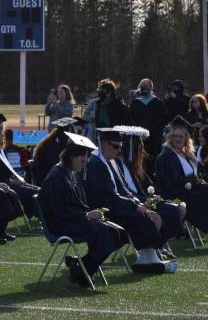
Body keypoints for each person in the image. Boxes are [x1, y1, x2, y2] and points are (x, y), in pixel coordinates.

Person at [39, 132, 127, 286]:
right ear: (71, 156)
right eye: (82, 158)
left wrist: (92, 213)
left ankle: (81, 267)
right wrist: (86, 215)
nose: (85, 162)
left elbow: (78, 204)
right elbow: (61, 212)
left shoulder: (70, 173)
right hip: (61, 224)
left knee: (119, 232)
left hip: (74, 219)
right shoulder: (56, 177)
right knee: (106, 232)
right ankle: (82, 272)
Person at [84, 128, 176, 273]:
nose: (119, 151)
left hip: (117, 204)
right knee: (145, 218)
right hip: (105, 209)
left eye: (120, 147)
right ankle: (148, 259)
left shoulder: (111, 161)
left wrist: (138, 203)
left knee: (152, 214)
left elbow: (124, 189)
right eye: (115, 146)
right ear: (102, 144)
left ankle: (148, 256)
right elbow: (106, 196)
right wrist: (134, 206)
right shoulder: (94, 164)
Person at [154, 117, 208, 233]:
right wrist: (193, 181)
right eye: (174, 136)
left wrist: (197, 174)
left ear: (186, 139)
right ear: (170, 138)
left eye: (180, 136)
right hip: (177, 197)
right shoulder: (166, 156)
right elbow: (169, 184)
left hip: (191, 192)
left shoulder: (187, 154)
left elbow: (199, 175)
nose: (177, 139)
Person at [0, 114, 41, 219]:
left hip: (9, 183)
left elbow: (7, 171)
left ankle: (38, 216)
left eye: (1, 128)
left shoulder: (0, 149)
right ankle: (42, 218)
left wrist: (15, 179)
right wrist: (11, 181)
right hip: (0, 186)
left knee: (40, 190)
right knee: (36, 192)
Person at [129, 78, 169, 157]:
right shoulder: (135, 103)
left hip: (155, 138)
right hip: (138, 137)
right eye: (142, 86)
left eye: (146, 85)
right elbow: (131, 119)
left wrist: (150, 130)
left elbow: (163, 119)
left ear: (151, 87)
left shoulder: (159, 103)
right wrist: (139, 131)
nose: (144, 87)